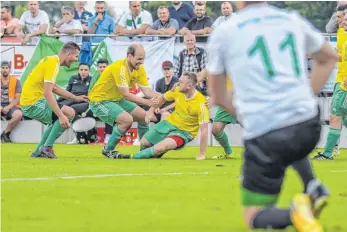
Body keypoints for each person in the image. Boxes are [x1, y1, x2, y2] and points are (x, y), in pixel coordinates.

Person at [207, 1, 337, 231]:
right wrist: (306, 97)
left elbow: (216, 95)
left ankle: (296, 213)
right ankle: (312, 185)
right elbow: (328, 57)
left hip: (266, 133)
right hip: (308, 124)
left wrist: (245, 115)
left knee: (254, 215)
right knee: (289, 144)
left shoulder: (225, 31)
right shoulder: (292, 19)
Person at [88, 44, 160, 158]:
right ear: (129, 56)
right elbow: (126, 94)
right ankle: (108, 150)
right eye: (139, 59)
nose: (142, 62)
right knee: (126, 120)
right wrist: (148, 103)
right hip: (99, 101)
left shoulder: (139, 68)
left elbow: (147, 90)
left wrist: (163, 98)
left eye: (143, 59)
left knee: (144, 116)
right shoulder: (120, 68)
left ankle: (145, 150)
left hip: (117, 100)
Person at [118, 72, 209, 160]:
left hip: (184, 132)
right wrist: (151, 111)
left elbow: (204, 130)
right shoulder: (177, 90)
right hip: (169, 123)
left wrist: (202, 154)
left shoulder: (201, 103)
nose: (177, 83)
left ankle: (129, 157)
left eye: (181, 82)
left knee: (159, 148)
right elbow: (162, 98)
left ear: (189, 86)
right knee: (144, 142)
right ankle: (154, 154)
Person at [20, 42, 88, 159]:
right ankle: (46, 148)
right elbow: (48, 93)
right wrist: (61, 115)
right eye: (76, 56)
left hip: (33, 101)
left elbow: (54, 87)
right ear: (69, 54)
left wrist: (75, 98)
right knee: (68, 113)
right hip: (32, 103)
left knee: (59, 118)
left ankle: (38, 151)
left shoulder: (51, 61)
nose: (76, 60)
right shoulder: (53, 63)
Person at [314, 5, 347, 160]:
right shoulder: (341, 34)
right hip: (340, 80)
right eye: (341, 17)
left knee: (335, 116)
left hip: (344, 83)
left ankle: (327, 154)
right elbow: (341, 56)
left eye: (343, 17)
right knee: (343, 118)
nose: (341, 20)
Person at [0, 61, 23, 143]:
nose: (5, 70)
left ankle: (6, 133)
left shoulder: (16, 81)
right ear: (0, 69)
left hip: (11, 106)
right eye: (3, 68)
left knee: (18, 114)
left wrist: (7, 107)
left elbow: (17, 99)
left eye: (6, 68)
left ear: (10, 69)